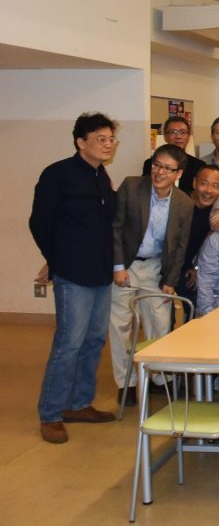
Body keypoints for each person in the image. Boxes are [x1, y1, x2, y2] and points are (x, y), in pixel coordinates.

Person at [30, 112, 119, 443]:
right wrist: (55, 260)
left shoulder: (101, 176)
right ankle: (51, 414)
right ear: (81, 142)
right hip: (73, 274)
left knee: (94, 341)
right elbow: (39, 222)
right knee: (68, 343)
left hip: (101, 272)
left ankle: (80, 403)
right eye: (101, 139)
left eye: (111, 139)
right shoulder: (58, 174)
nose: (108, 145)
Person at [109, 144, 194, 403]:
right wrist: (118, 266)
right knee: (120, 325)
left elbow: (180, 246)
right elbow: (115, 227)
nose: (160, 172)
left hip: (156, 267)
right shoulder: (131, 186)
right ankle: (126, 383)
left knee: (160, 322)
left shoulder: (184, 202)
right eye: (157, 165)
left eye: (167, 168)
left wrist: (171, 280)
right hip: (127, 265)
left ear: (178, 173)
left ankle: (159, 378)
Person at [176, 164, 219, 303]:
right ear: (194, 183)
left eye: (215, 186)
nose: (209, 190)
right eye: (204, 184)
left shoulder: (214, 214)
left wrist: (195, 267)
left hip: (187, 271)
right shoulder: (178, 204)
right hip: (162, 269)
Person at [142, 115, 203, 195]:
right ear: (165, 137)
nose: (178, 136)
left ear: (188, 137)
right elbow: (145, 192)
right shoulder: (151, 164)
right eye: (173, 132)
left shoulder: (199, 166)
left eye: (183, 132)